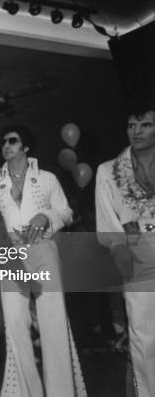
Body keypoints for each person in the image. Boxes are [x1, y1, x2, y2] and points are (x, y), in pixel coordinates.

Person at [0, 125, 86, 397]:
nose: (6, 146)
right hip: (11, 257)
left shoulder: (48, 178)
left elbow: (66, 212)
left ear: (26, 147)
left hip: (43, 251)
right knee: (15, 326)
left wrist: (46, 218)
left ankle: (61, 392)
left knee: (53, 323)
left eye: (12, 141)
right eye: (3, 142)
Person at [95, 98, 155, 397]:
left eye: (145, 124)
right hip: (137, 253)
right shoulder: (108, 171)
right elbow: (107, 219)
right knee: (143, 337)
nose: (137, 131)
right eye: (132, 125)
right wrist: (120, 251)